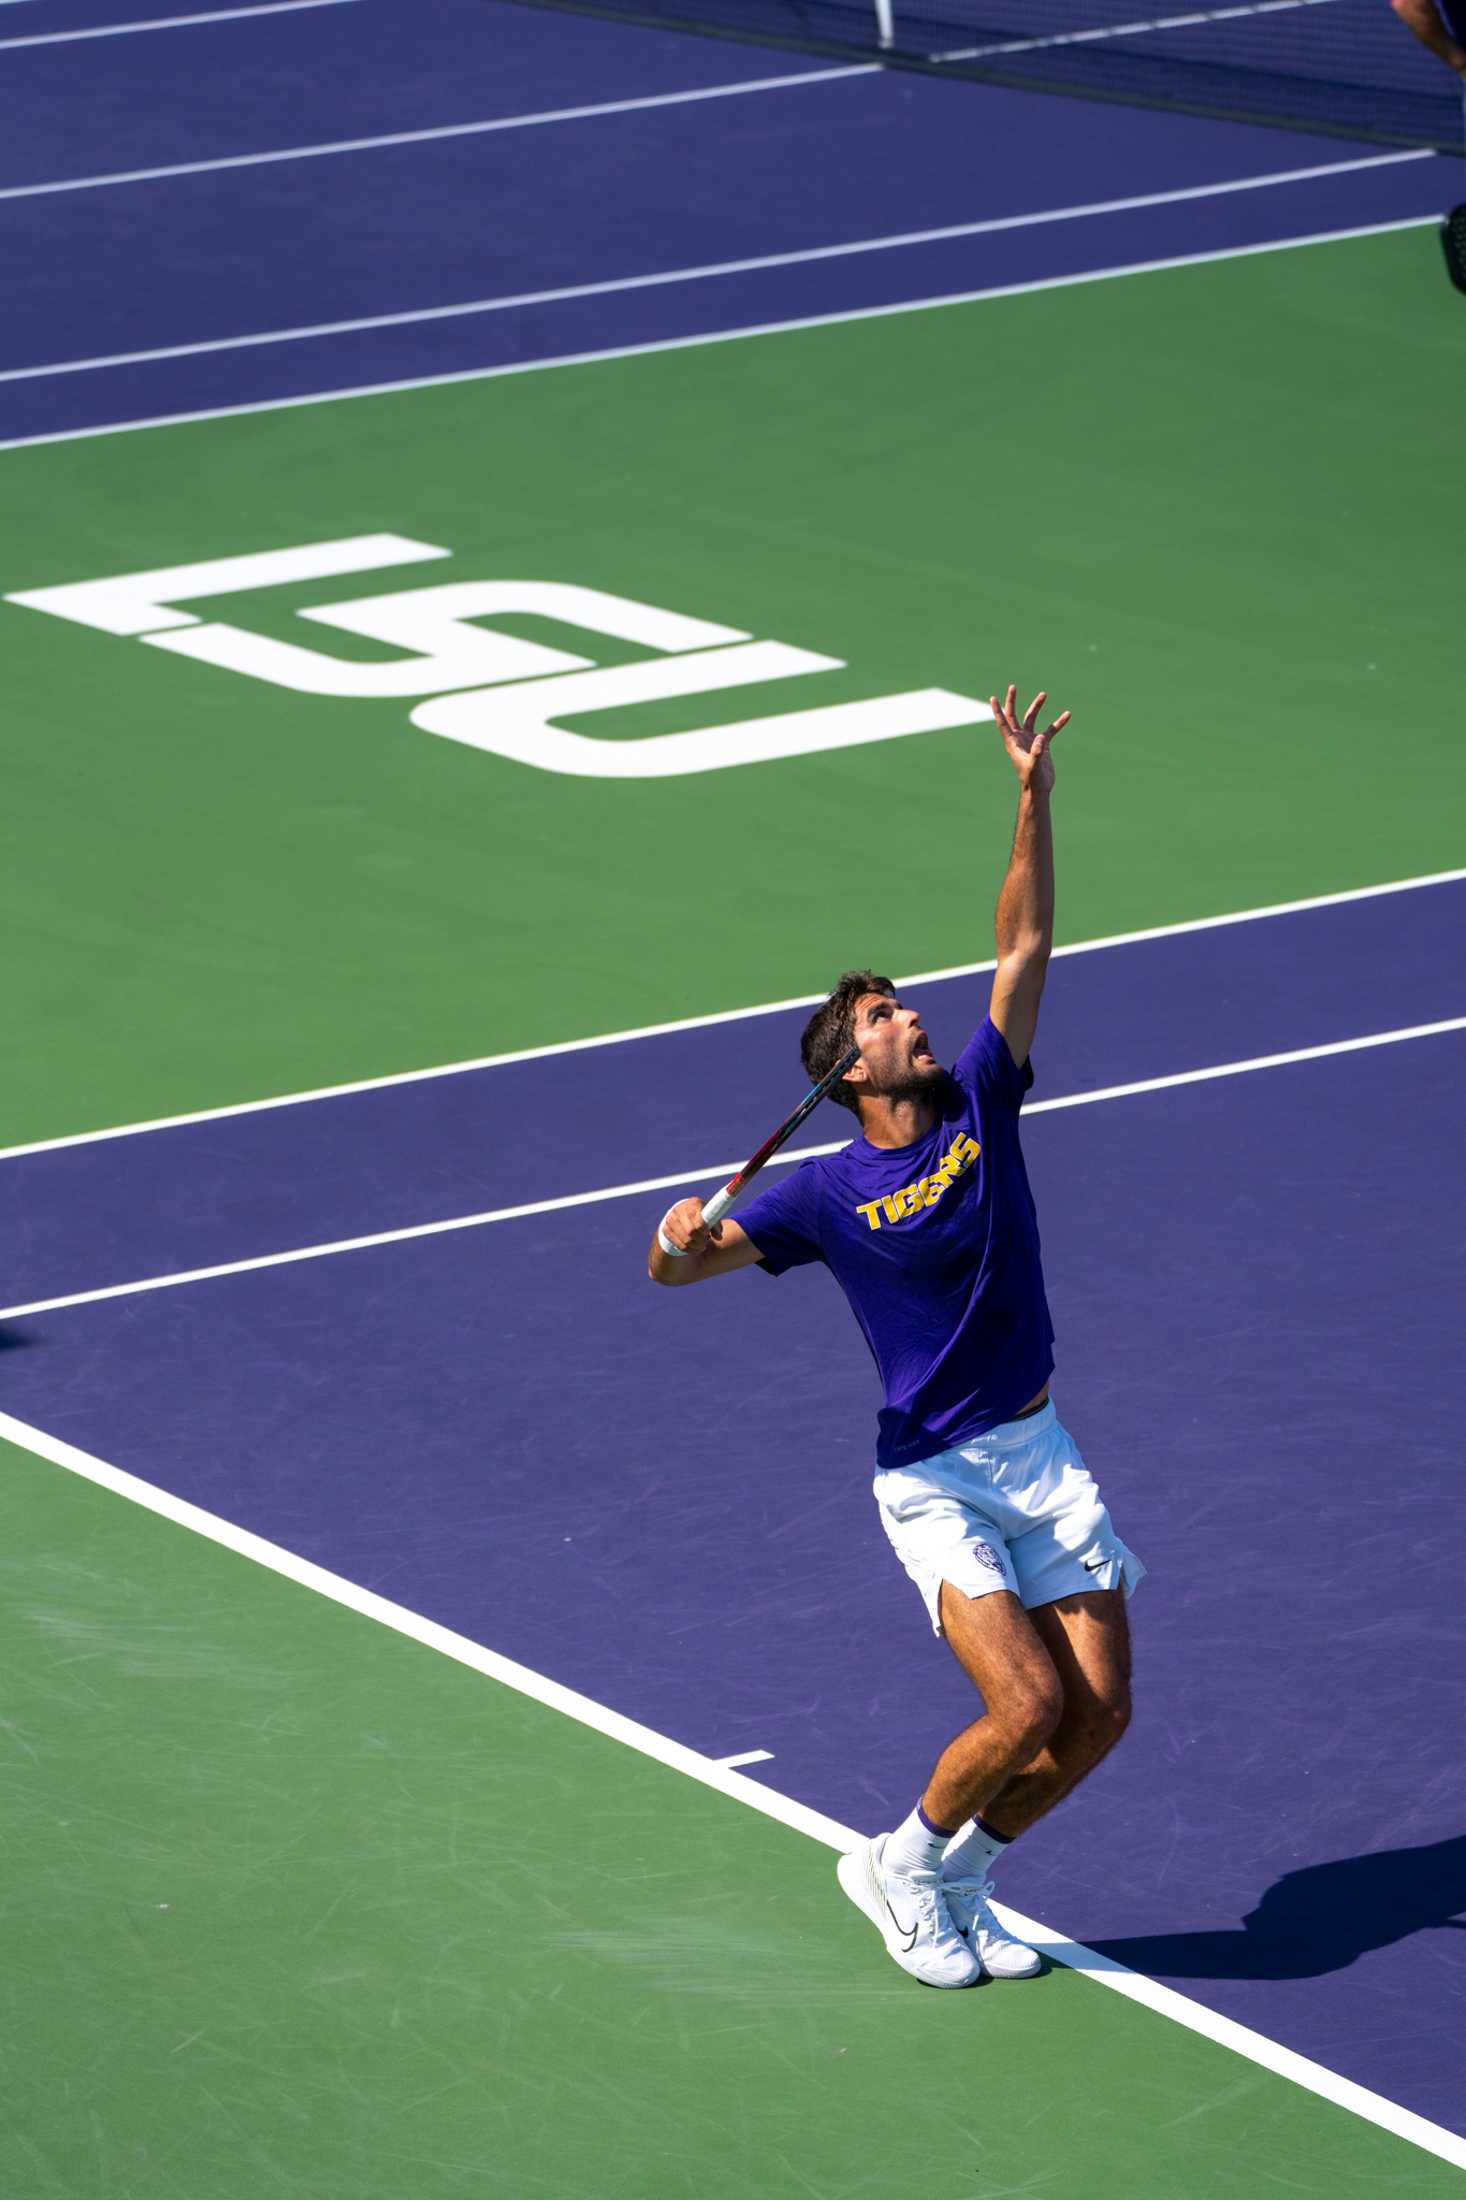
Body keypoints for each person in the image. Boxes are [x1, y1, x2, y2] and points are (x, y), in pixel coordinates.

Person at [648, 685, 1144, 1990]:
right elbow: (673, 1278)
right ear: (847, 1072)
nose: (909, 1015)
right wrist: (678, 1234)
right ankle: (900, 1866)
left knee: (1097, 1717)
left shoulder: (981, 1092)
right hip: (931, 1475)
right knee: (1024, 1704)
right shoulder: (814, 1191)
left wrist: (1031, 801)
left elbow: (1022, 946)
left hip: (1035, 1446)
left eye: (900, 1007)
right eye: (881, 1018)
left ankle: (958, 1876)